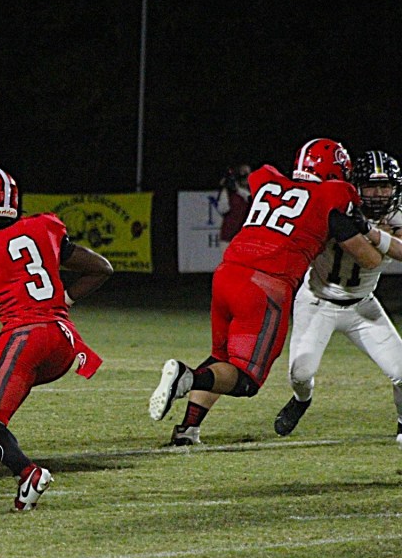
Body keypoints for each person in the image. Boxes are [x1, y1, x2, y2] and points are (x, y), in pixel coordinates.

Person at [148, 138, 389, 446]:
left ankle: (187, 429)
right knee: (246, 379)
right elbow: (370, 259)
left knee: (221, 358)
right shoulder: (330, 198)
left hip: (226, 274)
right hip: (264, 286)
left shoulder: (269, 182)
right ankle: (188, 377)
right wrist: (370, 233)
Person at [0, 165, 112, 511]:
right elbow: (101, 267)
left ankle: (28, 473)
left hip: (25, 339)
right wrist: (63, 299)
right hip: (64, 341)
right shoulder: (42, 228)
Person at [275, 150, 402, 446]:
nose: (379, 194)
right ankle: (301, 400)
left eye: (385, 186)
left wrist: (370, 231)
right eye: (371, 186)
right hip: (317, 300)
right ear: (356, 186)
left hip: (362, 305)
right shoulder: (336, 207)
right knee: (300, 374)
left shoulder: (395, 215)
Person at [217, 163, 253, 254]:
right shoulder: (229, 192)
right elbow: (222, 209)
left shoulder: (252, 191)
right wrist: (225, 189)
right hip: (228, 237)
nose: (246, 178)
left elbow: (251, 200)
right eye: (243, 175)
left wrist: (237, 190)